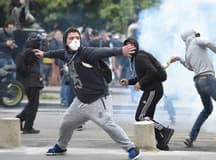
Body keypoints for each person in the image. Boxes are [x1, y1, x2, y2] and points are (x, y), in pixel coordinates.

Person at [33, 27, 140, 159]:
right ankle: (61, 146)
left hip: (98, 99)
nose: (75, 40)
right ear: (66, 41)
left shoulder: (86, 53)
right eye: (71, 38)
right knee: (66, 123)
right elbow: (57, 53)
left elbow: (103, 52)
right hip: (80, 101)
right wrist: (44, 54)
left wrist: (121, 51)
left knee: (108, 124)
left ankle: (131, 148)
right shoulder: (66, 53)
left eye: (77, 38)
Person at [171, 29, 216, 151]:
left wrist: (180, 59)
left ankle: (191, 137)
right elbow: (209, 43)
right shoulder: (197, 41)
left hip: (198, 81)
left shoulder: (187, 51)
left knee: (207, 109)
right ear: (192, 35)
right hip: (208, 79)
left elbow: (189, 67)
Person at [120, 37, 174, 151]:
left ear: (135, 47)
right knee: (148, 118)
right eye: (126, 46)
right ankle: (161, 142)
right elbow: (143, 75)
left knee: (140, 117)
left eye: (131, 45)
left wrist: (141, 83)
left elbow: (152, 72)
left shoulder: (140, 57)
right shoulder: (137, 58)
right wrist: (129, 81)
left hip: (153, 90)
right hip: (153, 90)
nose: (128, 48)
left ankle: (164, 130)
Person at [15, 32, 44, 134]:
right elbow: (31, 70)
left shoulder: (27, 52)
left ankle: (19, 120)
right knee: (33, 105)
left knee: (31, 104)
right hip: (32, 83)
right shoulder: (32, 53)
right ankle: (27, 126)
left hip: (29, 82)